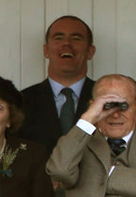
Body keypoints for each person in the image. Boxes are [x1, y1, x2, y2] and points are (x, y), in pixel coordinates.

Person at [17, 15, 96, 153]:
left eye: (76, 38)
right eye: (59, 38)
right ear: (46, 50)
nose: (66, 44)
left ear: (90, 52)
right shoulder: (20, 102)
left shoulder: (107, 99)